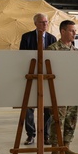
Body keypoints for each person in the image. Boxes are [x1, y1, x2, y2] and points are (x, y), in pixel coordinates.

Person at [46, 20, 78, 154]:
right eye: (71, 30)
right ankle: (55, 150)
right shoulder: (52, 50)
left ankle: (66, 147)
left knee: (71, 120)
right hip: (58, 92)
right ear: (62, 31)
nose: (75, 33)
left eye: (75, 31)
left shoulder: (76, 51)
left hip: (73, 91)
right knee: (58, 121)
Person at [20, 12, 57, 145]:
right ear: (35, 23)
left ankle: (46, 135)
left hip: (47, 78)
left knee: (47, 107)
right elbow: (22, 57)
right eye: (42, 22)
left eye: (46, 22)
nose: (45, 24)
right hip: (31, 76)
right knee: (28, 108)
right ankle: (31, 135)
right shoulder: (26, 37)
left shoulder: (52, 39)